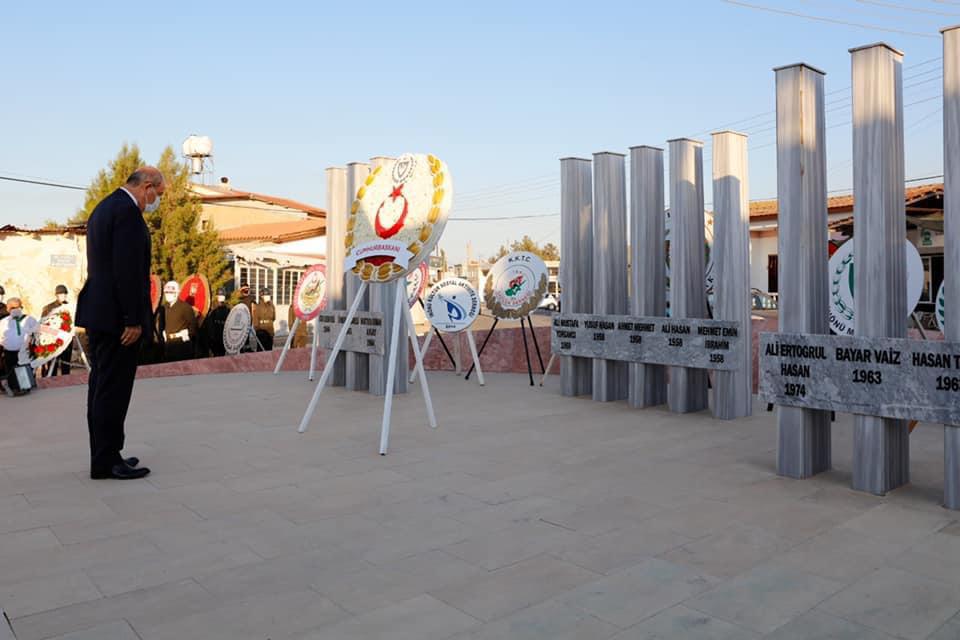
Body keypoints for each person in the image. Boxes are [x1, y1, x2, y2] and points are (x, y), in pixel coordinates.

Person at [76, 167, 162, 480]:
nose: (156, 201)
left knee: (101, 387)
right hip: (117, 318)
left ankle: (106, 453)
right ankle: (107, 461)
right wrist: (132, 319)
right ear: (147, 186)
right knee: (113, 390)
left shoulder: (104, 207)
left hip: (99, 312)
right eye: (158, 194)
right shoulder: (127, 212)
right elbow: (126, 271)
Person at [0, 298, 38, 396]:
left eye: (17, 307)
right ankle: (13, 387)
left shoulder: (29, 320)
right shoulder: (3, 322)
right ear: (7, 309)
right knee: (11, 372)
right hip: (9, 352)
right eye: (12, 308)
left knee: (23, 372)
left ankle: (24, 387)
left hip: (24, 352)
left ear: (21, 307)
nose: (15, 310)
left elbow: (37, 333)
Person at [161, 281, 197, 362]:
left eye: (170, 292)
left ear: (176, 293)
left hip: (182, 346)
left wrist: (187, 335)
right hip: (167, 345)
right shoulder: (163, 308)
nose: (168, 294)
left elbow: (193, 326)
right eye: (166, 292)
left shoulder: (185, 307)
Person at [41, 284, 73, 376]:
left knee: (66, 364)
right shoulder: (49, 308)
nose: (64, 296)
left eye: (65, 294)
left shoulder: (70, 307)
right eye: (61, 294)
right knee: (52, 365)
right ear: (57, 295)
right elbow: (43, 324)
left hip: (67, 339)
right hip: (53, 339)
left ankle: (66, 381)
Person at [203, 288, 230, 356]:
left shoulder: (227, 309)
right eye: (220, 296)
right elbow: (209, 327)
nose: (221, 298)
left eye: (222, 296)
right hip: (215, 341)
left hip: (224, 340)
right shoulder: (213, 310)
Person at [252, 287, 275, 351]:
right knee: (261, 351)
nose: (268, 297)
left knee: (269, 350)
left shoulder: (272, 306)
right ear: (261, 296)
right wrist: (258, 330)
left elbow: (274, 318)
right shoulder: (257, 306)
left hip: (270, 331)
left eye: (268, 295)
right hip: (261, 332)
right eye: (266, 295)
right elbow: (255, 321)